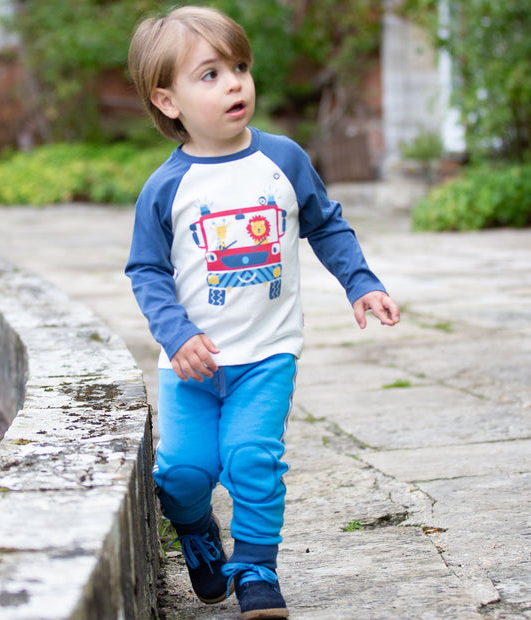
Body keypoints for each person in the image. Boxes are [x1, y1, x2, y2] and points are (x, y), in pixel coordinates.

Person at [126, 6, 400, 619]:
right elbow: (145, 271)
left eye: (240, 68)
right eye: (211, 74)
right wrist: (177, 335)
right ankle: (198, 533)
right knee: (183, 476)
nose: (234, 84)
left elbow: (326, 225)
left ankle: (255, 569)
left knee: (252, 457)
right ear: (167, 101)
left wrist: (361, 283)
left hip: (266, 355)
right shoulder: (165, 189)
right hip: (192, 367)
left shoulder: (283, 159)